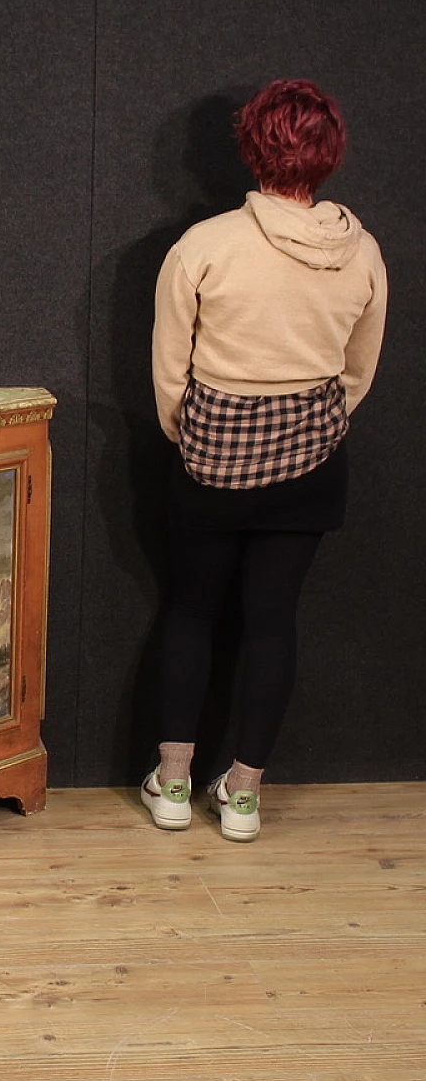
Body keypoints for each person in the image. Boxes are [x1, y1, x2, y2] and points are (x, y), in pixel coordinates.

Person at [143, 79, 388, 841]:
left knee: (189, 611)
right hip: (313, 458)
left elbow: (167, 371)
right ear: (330, 153)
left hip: (211, 459)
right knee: (273, 622)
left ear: (252, 148)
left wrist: (200, 439)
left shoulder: (205, 246)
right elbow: (358, 370)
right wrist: (310, 427)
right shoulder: (363, 251)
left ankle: (175, 784)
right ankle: (244, 796)